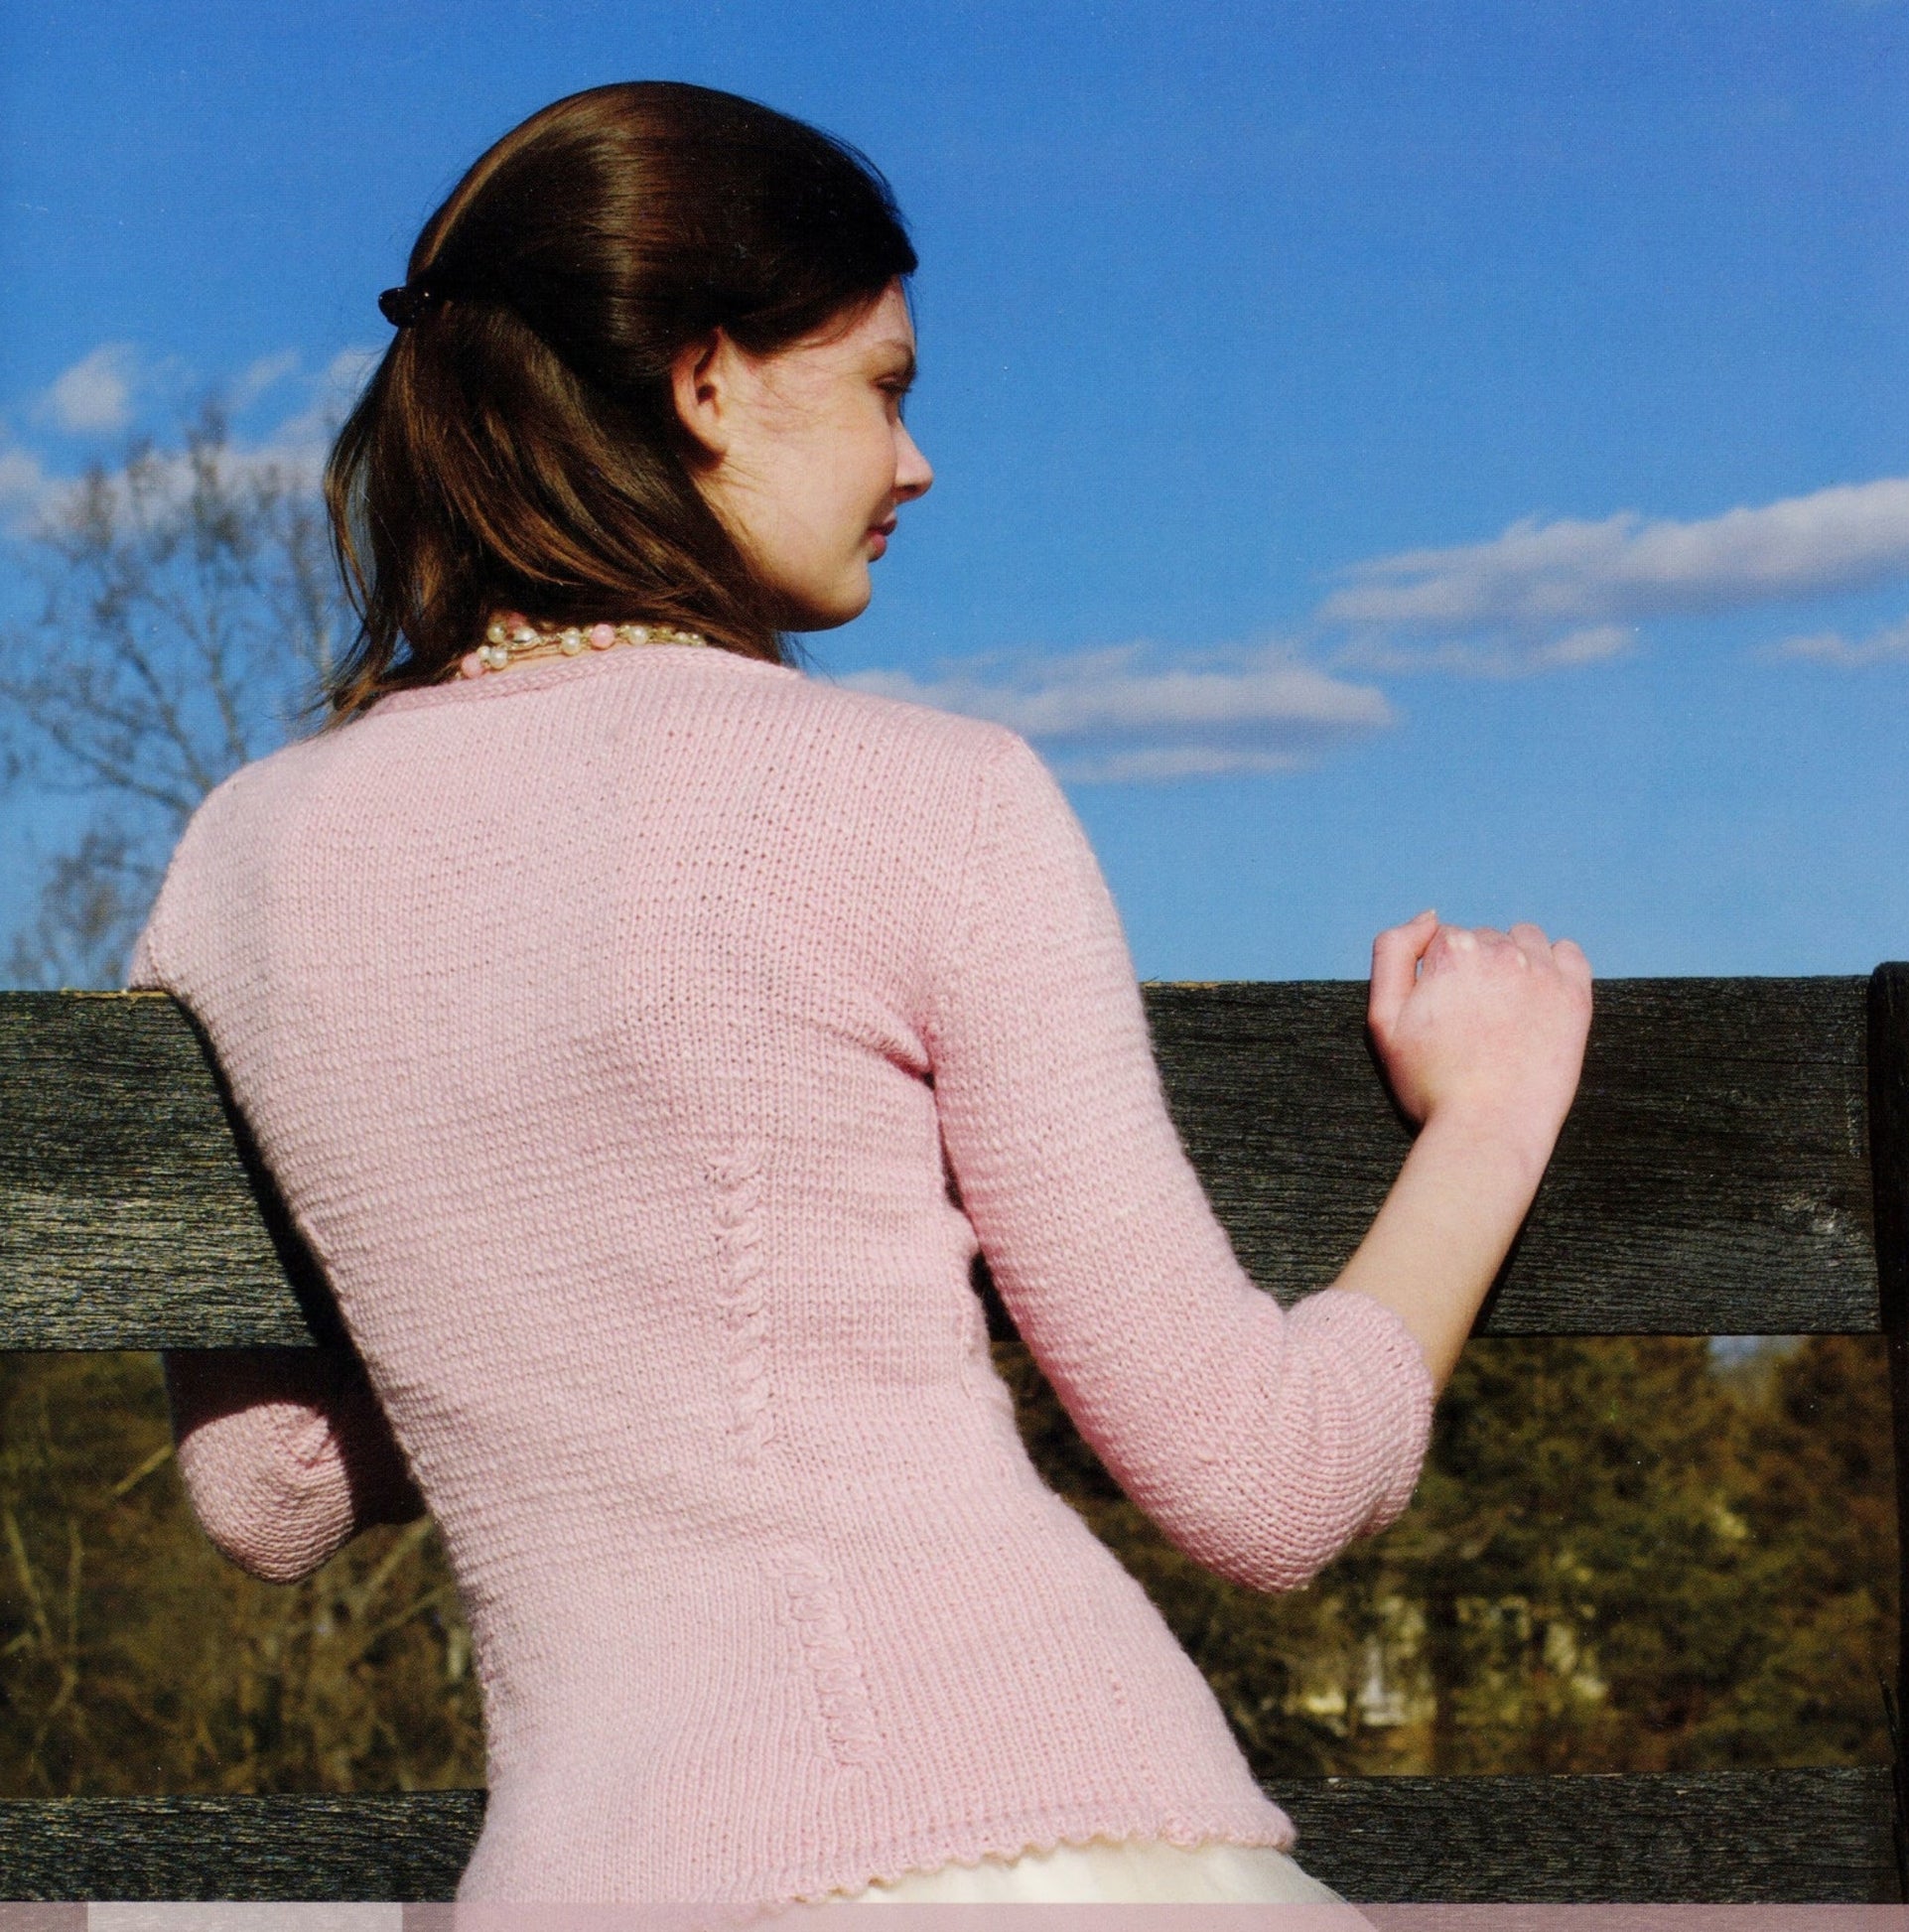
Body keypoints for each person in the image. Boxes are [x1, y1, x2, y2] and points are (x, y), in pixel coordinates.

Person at [131, 81, 1593, 1911]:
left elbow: (271, 1493)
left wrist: (568, 1359)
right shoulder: (922, 796)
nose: (917, 464)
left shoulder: (240, 862)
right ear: (707, 377)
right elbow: (1263, 1479)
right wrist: (1496, 1110)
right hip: (1029, 1833)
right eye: (886, 385)